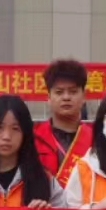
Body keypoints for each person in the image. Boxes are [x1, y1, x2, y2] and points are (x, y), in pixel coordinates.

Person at [35, 59, 93, 189]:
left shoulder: (96, 140)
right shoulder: (33, 138)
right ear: (48, 97)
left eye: (73, 91)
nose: (66, 97)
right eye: (59, 92)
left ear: (84, 96)